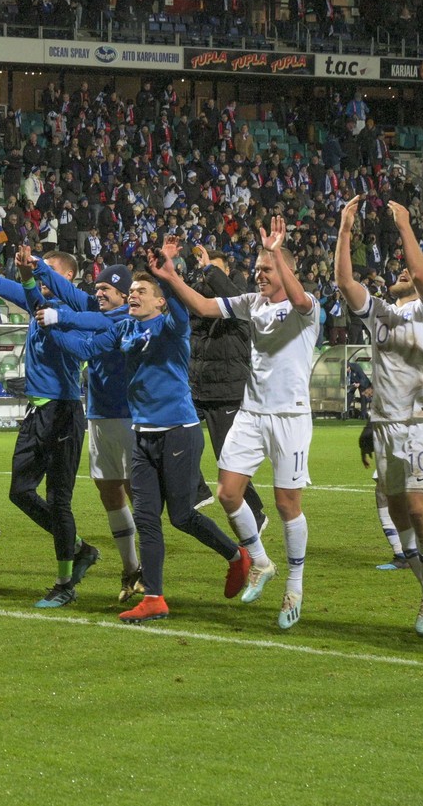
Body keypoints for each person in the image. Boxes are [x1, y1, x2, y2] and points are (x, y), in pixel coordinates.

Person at [45, 247, 251, 623]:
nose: (135, 295)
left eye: (143, 291)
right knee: (146, 517)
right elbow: (88, 346)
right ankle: (154, 597)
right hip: (142, 434)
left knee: (182, 516)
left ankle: (237, 555)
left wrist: (169, 277)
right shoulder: (126, 328)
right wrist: (52, 328)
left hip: (178, 432)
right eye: (133, 291)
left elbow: (175, 300)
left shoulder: (172, 326)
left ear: (159, 301)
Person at [150, 216, 319, 629]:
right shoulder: (253, 303)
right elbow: (206, 307)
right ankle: (260, 562)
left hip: (290, 416)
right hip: (252, 411)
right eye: (258, 268)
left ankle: (294, 586)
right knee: (228, 494)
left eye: (266, 269)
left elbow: (299, 303)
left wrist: (277, 250)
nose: (258, 275)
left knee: (285, 505)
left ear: (285, 270)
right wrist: (171, 277)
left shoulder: (306, 307)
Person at [335, 196, 423, 634]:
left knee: (420, 510)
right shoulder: (381, 313)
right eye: (400, 272)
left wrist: (405, 227)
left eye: (412, 274)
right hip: (386, 422)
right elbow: (345, 283)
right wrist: (346, 228)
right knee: (399, 511)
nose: (404, 274)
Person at [0, 217, 86, 605]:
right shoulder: (35, 300)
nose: (39, 273)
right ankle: (79, 547)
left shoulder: (74, 310)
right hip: (37, 412)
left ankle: (65, 583)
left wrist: (33, 277)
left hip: (64, 411)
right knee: (20, 491)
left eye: (49, 270)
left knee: (59, 499)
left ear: (67, 277)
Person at [30, 262, 142, 605]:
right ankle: (131, 568)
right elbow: (69, 293)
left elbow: (86, 339)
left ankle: (151, 574)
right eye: (97, 288)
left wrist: (57, 320)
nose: (99, 294)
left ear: (123, 294)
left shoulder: (127, 318)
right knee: (109, 493)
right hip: (98, 414)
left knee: (138, 495)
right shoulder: (96, 310)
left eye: (106, 289)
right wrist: (36, 266)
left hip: (128, 416)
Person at [185, 244, 267, 526]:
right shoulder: (198, 304)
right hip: (196, 388)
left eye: (216, 271)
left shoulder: (245, 302)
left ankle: (255, 512)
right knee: (178, 435)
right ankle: (197, 490)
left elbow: (232, 296)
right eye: (205, 269)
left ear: (227, 272)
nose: (208, 276)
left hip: (227, 391)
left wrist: (210, 269)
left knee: (228, 458)